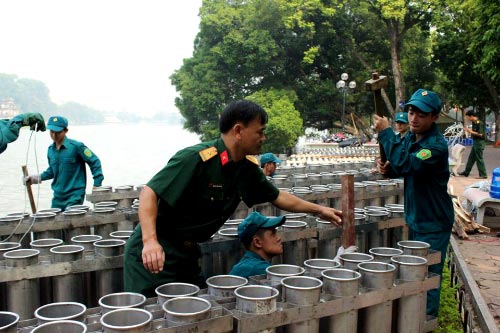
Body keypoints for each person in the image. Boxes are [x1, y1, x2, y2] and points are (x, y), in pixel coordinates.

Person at [123, 100, 342, 297]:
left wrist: (319, 210)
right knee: (150, 316)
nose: (263, 138)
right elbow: (149, 192)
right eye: (260, 132)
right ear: (238, 130)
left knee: (191, 315)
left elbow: (277, 197)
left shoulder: (246, 169)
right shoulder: (196, 158)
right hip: (154, 253)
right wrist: (150, 241)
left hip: (186, 253)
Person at [374, 89, 454, 318]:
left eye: (421, 114)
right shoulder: (411, 136)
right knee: (415, 270)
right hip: (416, 216)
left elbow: (410, 164)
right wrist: (388, 170)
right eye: (411, 112)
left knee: (428, 273)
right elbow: (401, 165)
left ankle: (426, 320)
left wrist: (386, 133)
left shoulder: (435, 147)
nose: (414, 118)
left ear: (434, 117)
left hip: (433, 221)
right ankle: (413, 317)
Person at [24, 116, 104, 210]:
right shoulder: (51, 150)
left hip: (74, 196)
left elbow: (95, 162)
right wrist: (36, 178)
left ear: (65, 131)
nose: (54, 135)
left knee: (70, 220)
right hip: (58, 197)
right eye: (51, 132)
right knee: (54, 221)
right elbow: (52, 171)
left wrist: (97, 184)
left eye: (57, 132)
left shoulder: (77, 147)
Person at [229, 212, 285, 277]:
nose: (279, 238)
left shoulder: (250, 263)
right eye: (272, 234)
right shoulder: (258, 269)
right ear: (257, 242)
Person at [459, 110, 487, 179]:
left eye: (468, 117)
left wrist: (471, 131)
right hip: (475, 142)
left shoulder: (479, 123)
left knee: (479, 159)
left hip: (479, 143)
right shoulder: (474, 122)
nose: (468, 119)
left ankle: (483, 174)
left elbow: (481, 134)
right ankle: (466, 172)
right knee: (471, 158)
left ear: (471, 116)